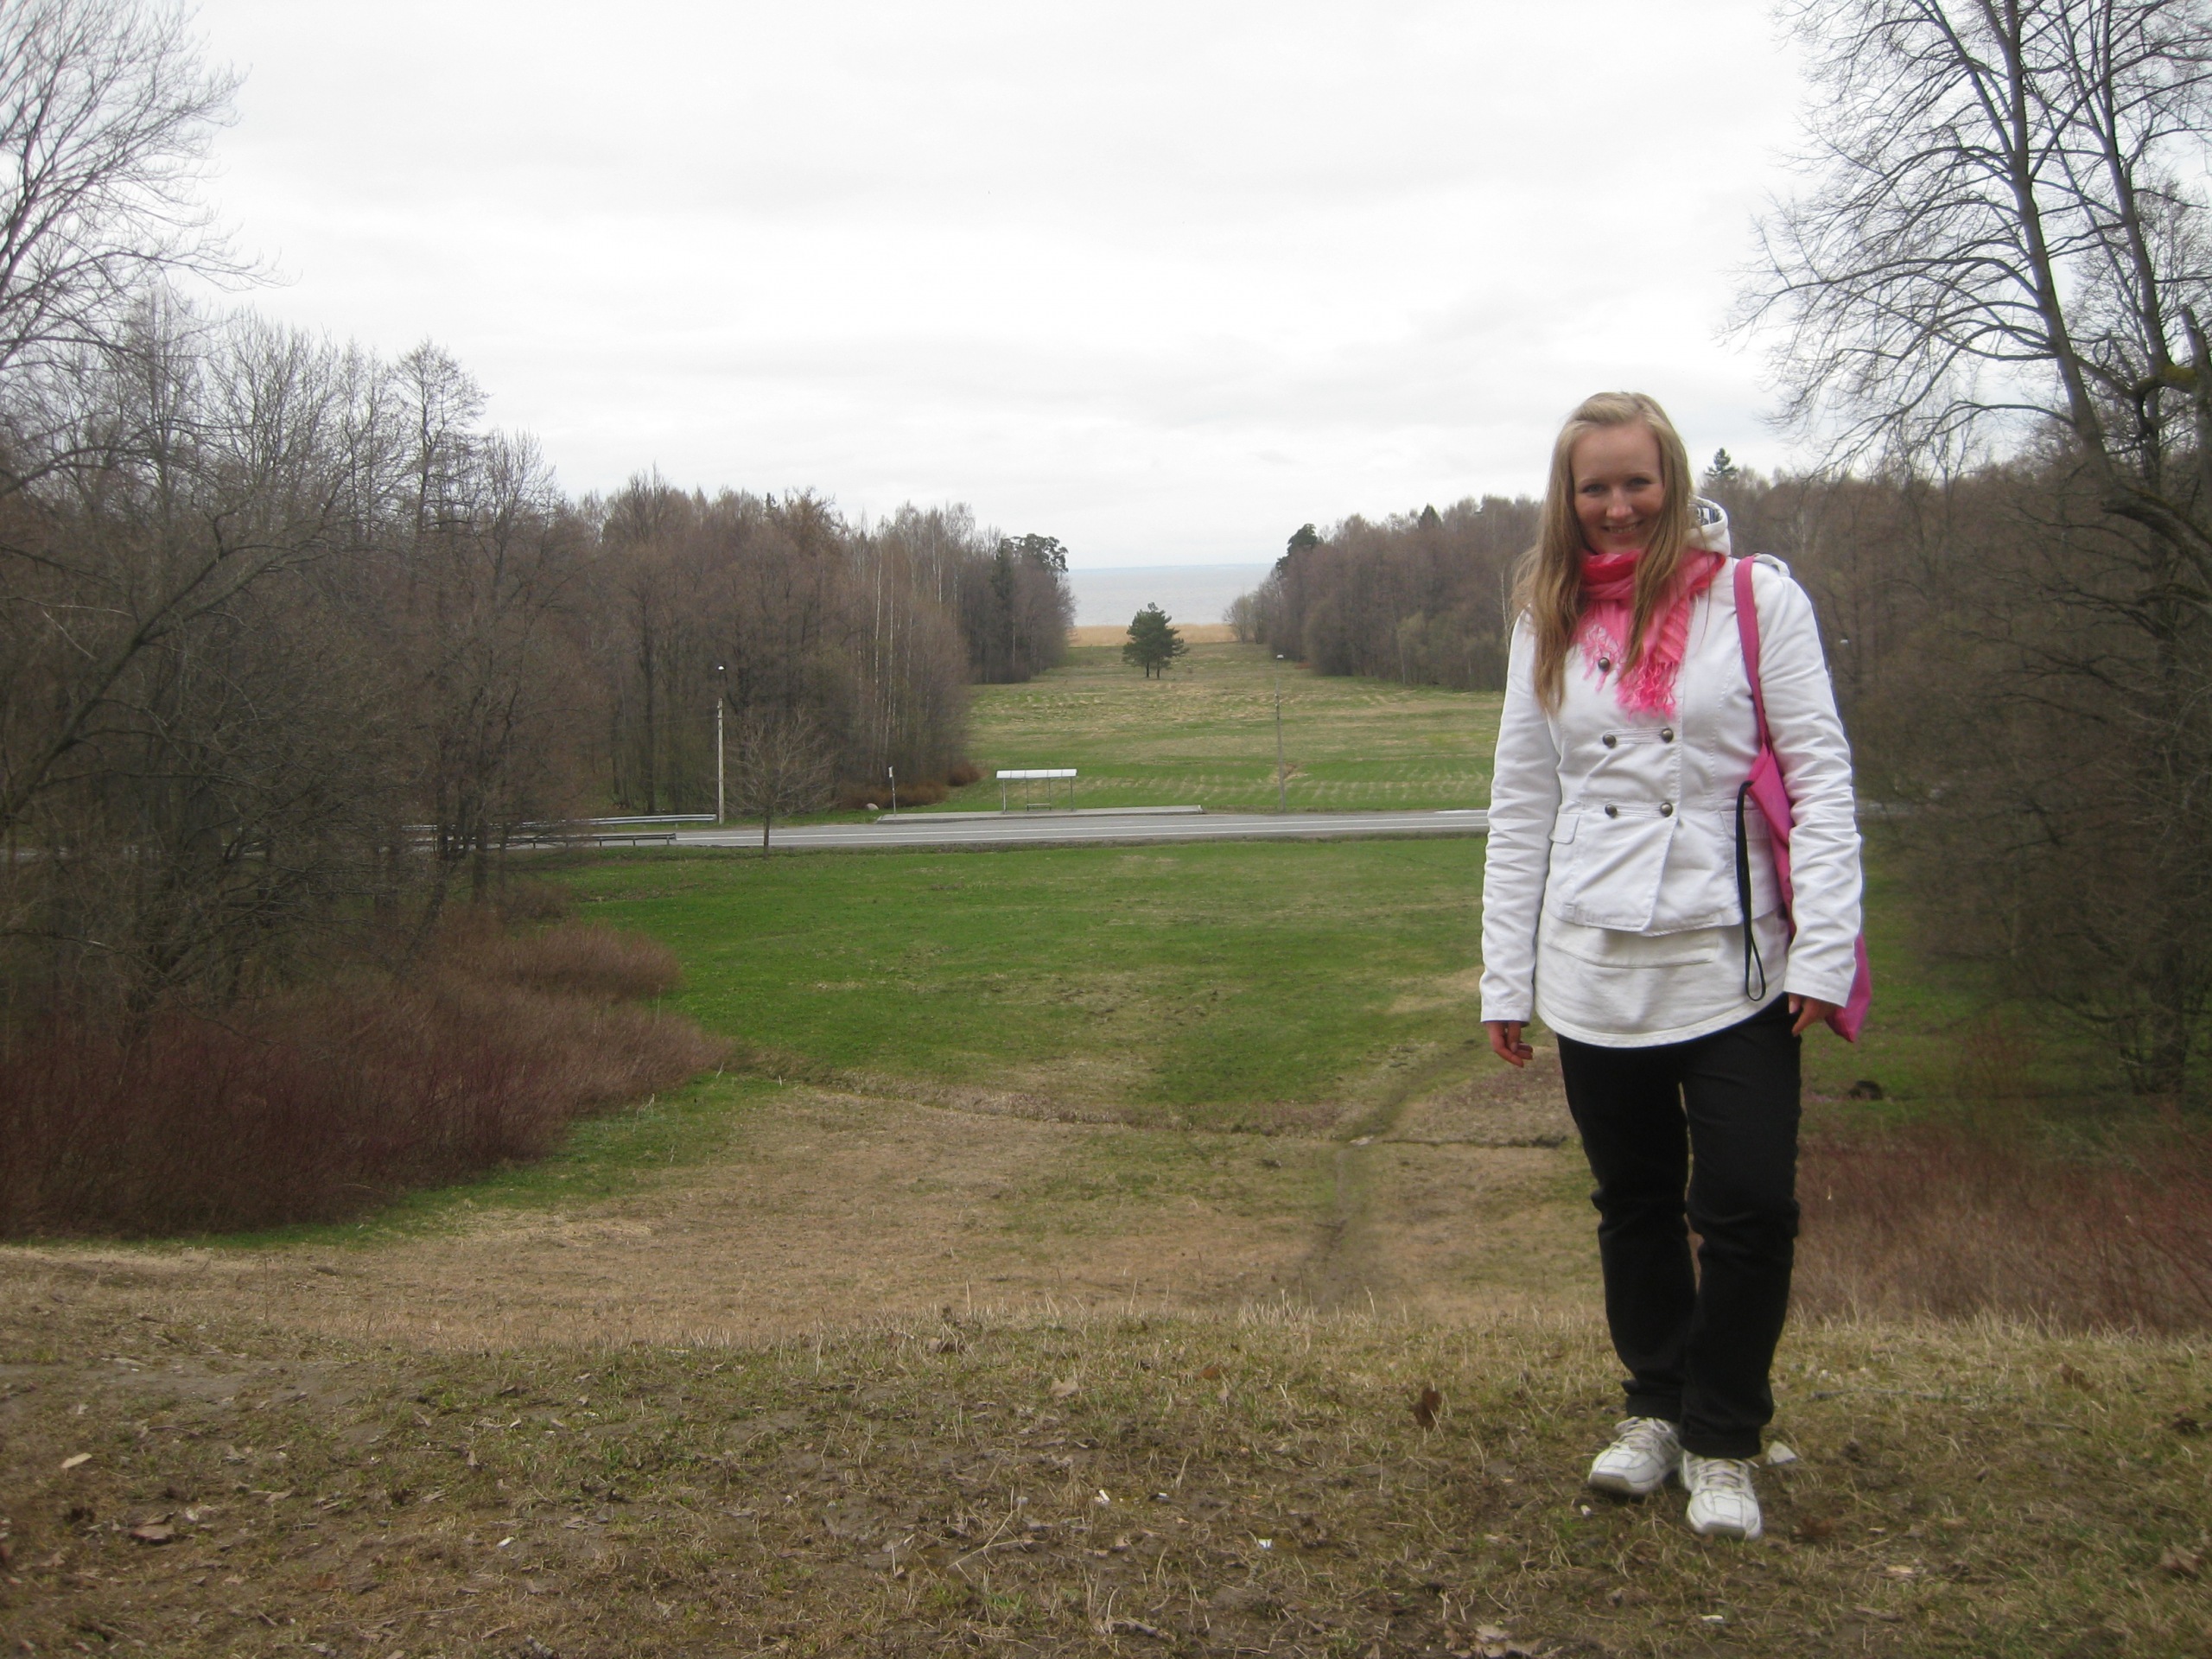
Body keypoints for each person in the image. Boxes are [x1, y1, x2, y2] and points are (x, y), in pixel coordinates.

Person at [1478, 391, 1862, 1541]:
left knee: (1750, 1205)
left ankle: (1726, 1434)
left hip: (1736, 958)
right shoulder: (1545, 618)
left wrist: (1826, 949)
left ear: (1674, 482)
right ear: (1568, 499)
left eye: (1637, 481)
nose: (1618, 506)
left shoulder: (1757, 600)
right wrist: (1505, 977)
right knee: (1634, 1202)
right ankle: (1656, 1404)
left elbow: (1821, 776)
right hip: (1592, 961)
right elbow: (1522, 801)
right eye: (1594, 486)